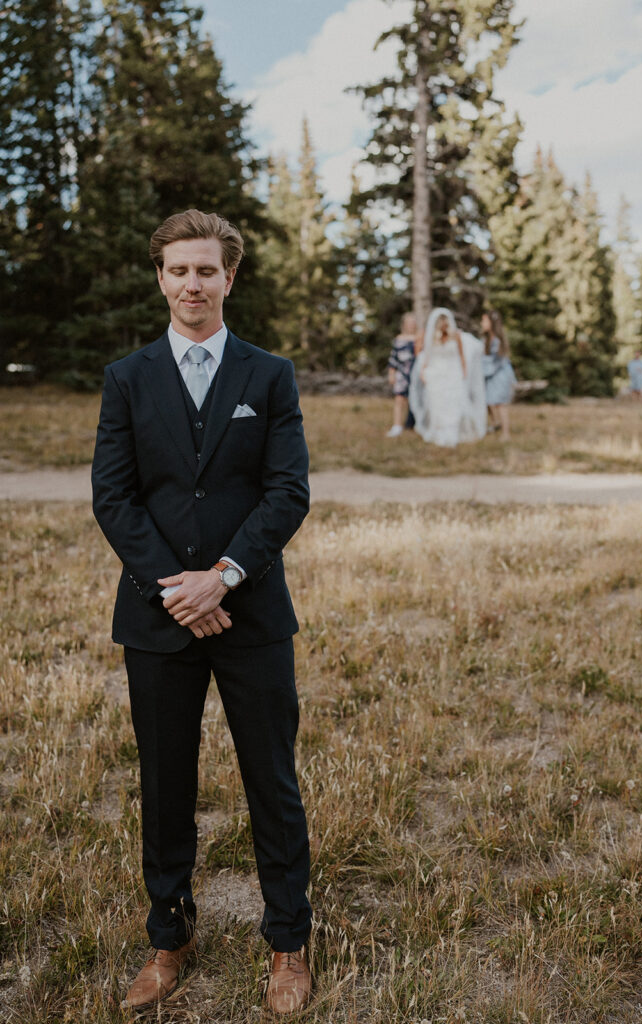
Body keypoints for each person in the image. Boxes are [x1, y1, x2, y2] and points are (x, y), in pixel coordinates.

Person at [91, 209, 313, 1015]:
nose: (193, 283)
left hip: (251, 614)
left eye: (207, 270)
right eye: (179, 270)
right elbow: (112, 498)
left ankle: (288, 941)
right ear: (161, 277)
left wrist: (220, 577)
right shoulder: (126, 378)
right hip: (157, 619)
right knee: (164, 782)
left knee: (272, 781)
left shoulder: (268, 374)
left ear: (229, 278)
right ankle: (169, 936)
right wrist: (176, 590)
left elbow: (288, 492)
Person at [409, 308, 487, 447]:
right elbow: (427, 356)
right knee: (437, 404)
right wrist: (423, 371)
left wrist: (464, 373)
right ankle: (439, 432)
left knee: (454, 404)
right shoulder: (431, 336)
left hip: (453, 374)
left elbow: (461, 356)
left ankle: (452, 432)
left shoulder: (456, 336)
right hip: (436, 375)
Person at [481, 309, 516, 441]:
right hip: (492, 375)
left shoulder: (497, 340)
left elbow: (496, 362)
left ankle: (506, 433)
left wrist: (482, 370)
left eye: (484, 320)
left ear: (491, 322)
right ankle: (495, 423)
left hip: (500, 376)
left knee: (501, 404)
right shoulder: (487, 339)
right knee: (487, 400)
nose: (482, 323)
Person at [386, 312, 418, 437]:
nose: (411, 325)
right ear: (404, 324)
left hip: (415, 373)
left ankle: (414, 424)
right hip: (402, 374)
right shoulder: (399, 339)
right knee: (399, 399)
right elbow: (393, 358)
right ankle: (397, 425)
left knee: (415, 400)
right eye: (409, 323)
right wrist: (391, 373)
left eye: (413, 323)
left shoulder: (419, 338)